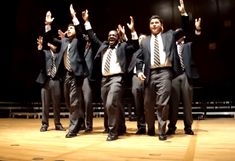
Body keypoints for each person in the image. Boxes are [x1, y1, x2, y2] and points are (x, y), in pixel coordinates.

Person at [82, 9, 139, 141]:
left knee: (110, 104)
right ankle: (121, 126)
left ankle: (113, 132)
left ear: (118, 37)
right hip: (104, 80)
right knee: (115, 104)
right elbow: (92, 36)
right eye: (109, 35)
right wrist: (86, 21)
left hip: (117, 79)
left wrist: (132, 31)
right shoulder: (103, 47)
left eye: (114, 35)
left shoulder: (123, 47)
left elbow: (135, 46)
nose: (111, 36)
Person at [136, 0, 188, 141]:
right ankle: (151, 128)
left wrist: (183, 13)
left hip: (165, 72)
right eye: (152, 23)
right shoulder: (145, 41)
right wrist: (139, 71)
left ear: (162, 26)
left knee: (162, 103)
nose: (154, 25)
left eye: (157, 22)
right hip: (149, 74)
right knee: (148, 104)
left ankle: (162, 131)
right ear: (149, 26)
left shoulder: (169, 35)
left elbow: (184, 30)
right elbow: (139, 59)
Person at [53, 4, 88, 138]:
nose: (69, 29)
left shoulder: (78, 42)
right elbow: (51, 39)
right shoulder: (64, 42)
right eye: (68, 28)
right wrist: (48, 25)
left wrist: (74, 17)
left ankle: (73, 128)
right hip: (66, 75)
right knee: (68, 101)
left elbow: (80, 31)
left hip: (76, 74)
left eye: (71, 27)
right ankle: (79, 120)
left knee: (74, 101)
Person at [166, 17, 202, 135]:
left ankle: (188, 127)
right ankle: (172, 126)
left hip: (187, 76)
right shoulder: (171, 47)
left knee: (187, 104)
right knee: (173, 104)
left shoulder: (189, 45)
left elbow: (198, 41)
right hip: (174, 76)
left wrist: (197, 30)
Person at [35, 11, 65, 132]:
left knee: (56, 103)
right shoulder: (45, 53)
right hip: (46, 80)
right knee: (45, 104)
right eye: (51, 43)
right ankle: (44, 124)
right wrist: (40, 47)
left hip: (56, 80)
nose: (53, 45)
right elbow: (39, 56)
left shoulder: (59, 55)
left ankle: (57, 123)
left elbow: (63, 46)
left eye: (55, 44)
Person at [127, 34, 147, 134]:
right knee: (137, 103)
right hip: (136, 77)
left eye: (144, 38)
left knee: (148, 103)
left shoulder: (151, 50)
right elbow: (127, 44)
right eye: (140, 38)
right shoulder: (134, 50)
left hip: (148, 77)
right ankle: (141, 126)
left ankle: (151, 125)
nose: (141, 39)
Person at [81, 34, 100, 133]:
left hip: (87, 77)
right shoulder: (79, 47)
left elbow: (95, 41)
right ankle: (80, 123)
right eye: (84, 36)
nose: (86, 37)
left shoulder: (94, 47)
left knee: (87, 101)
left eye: (88, 36)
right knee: (78, 102)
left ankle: (89, 124)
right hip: (78, 76)